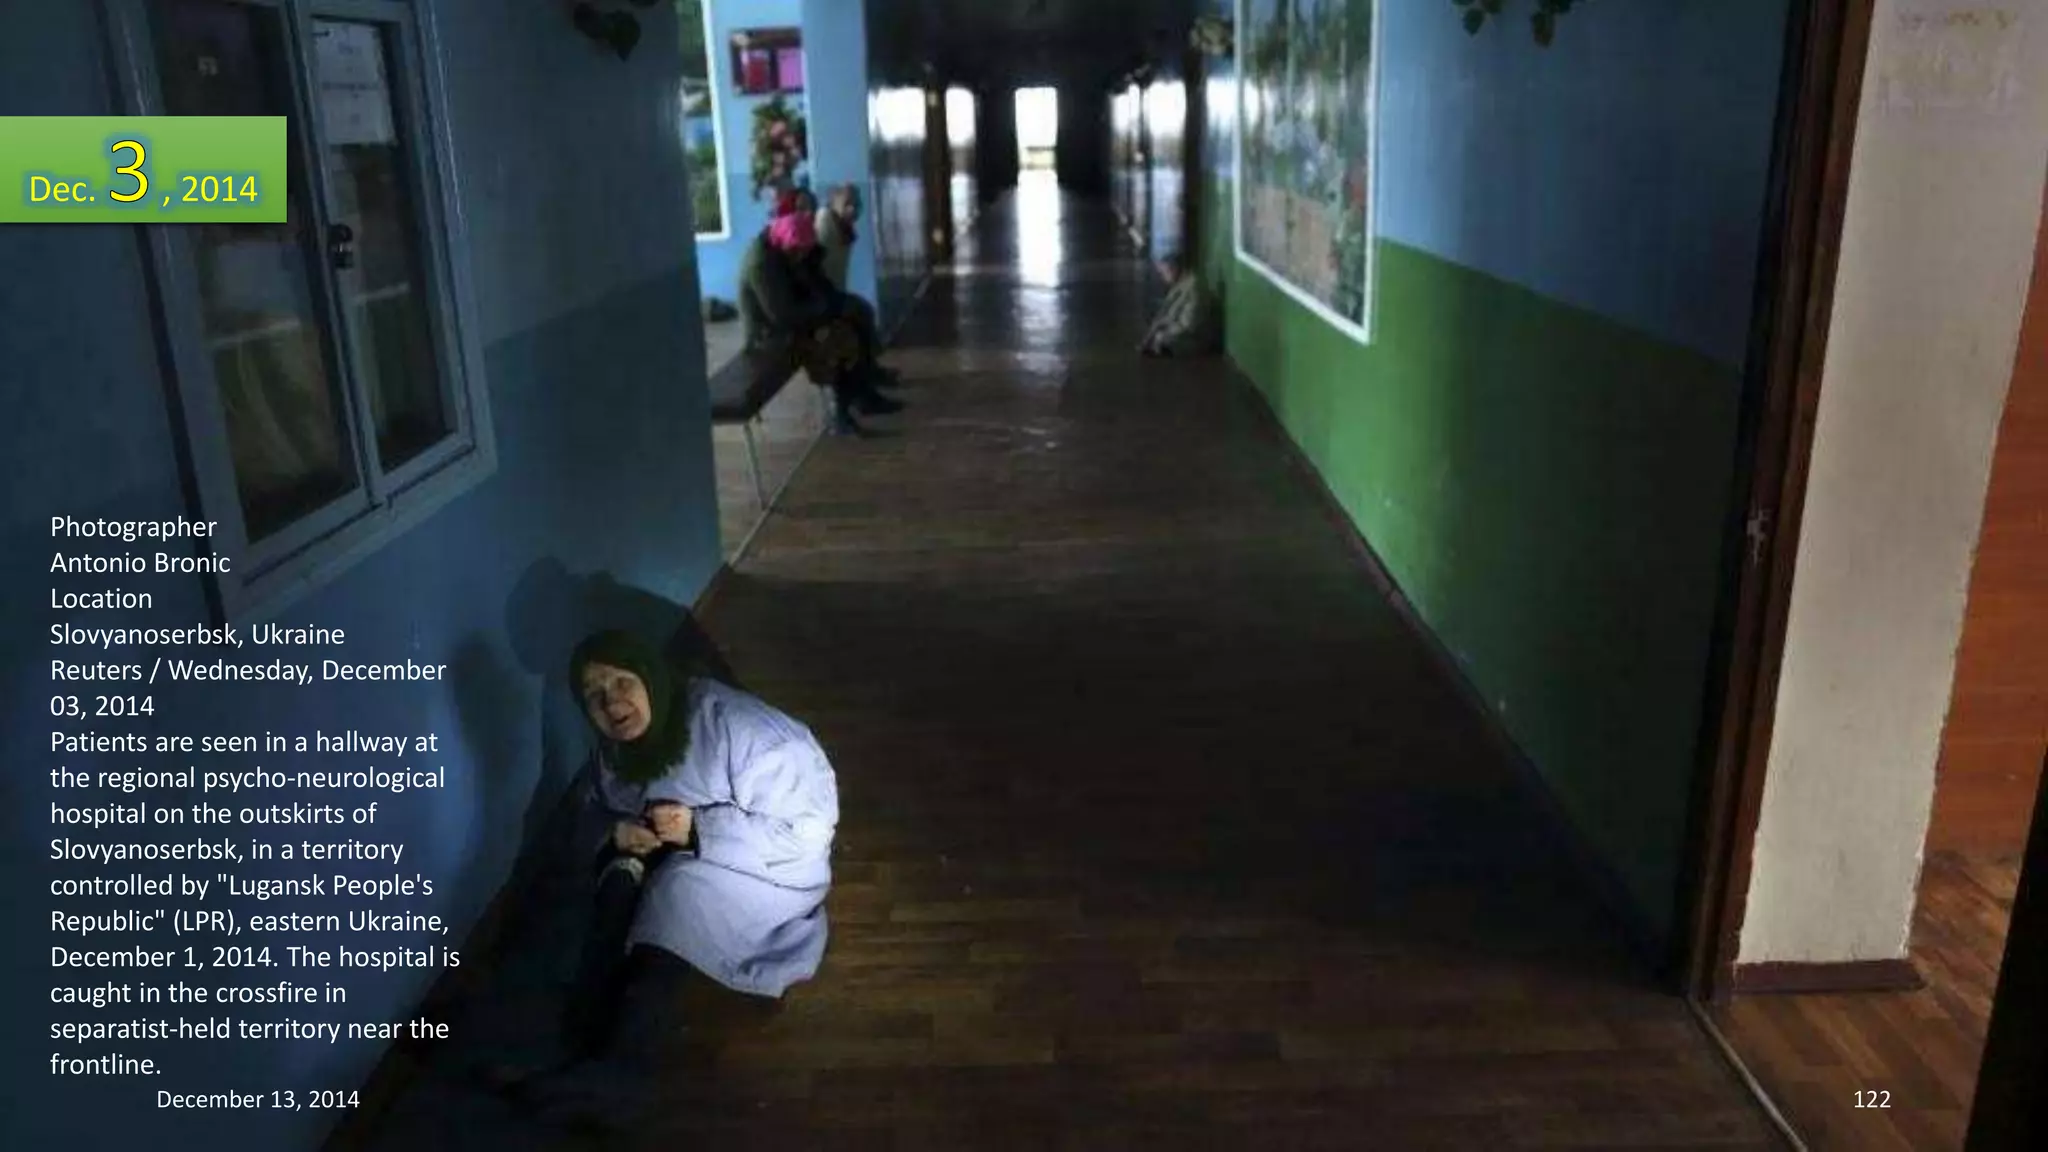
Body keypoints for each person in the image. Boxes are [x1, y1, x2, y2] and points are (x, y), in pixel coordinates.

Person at [503, 629, 839, 1124]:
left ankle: (623, 1073)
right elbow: (598, 807)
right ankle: (583, 1049)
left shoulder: (741, 730)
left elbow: (806, 831)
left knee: (677, 894)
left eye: (622, 682)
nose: (612, 703)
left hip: (774, 869)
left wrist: (699, 828)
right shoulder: (617, 749)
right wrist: (619, 832)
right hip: (697, 851)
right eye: (595, 695)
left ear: (650, 677)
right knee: (619, 879)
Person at [739, 211, 902, 435]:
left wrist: (830, 302)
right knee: (839, 338)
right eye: (798, 252)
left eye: (804, 251)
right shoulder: (761, 263)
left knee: (858, 311)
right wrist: (825, 311)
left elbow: (817, 283)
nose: (801, 256)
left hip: (795, 316)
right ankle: (839, 415)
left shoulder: (788, 247)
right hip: (770, 336)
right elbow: (782, 315)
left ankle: (864, 392)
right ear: (787, 245)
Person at [1138, 252, 1220, 358]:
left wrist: (1164, 331)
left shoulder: (1193, 289)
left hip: (1196, 340)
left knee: (1161, 339)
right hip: (1185, 332)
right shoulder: (1181, 284)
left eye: (1164, 272)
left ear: (1173, 269)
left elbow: (1189, 325)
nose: (1162, 277)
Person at [814, 183, 861, 293]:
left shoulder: (845, 227)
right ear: (835, 201)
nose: (852, 209)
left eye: (856, 205)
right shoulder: (825, 219)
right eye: (847, 203)